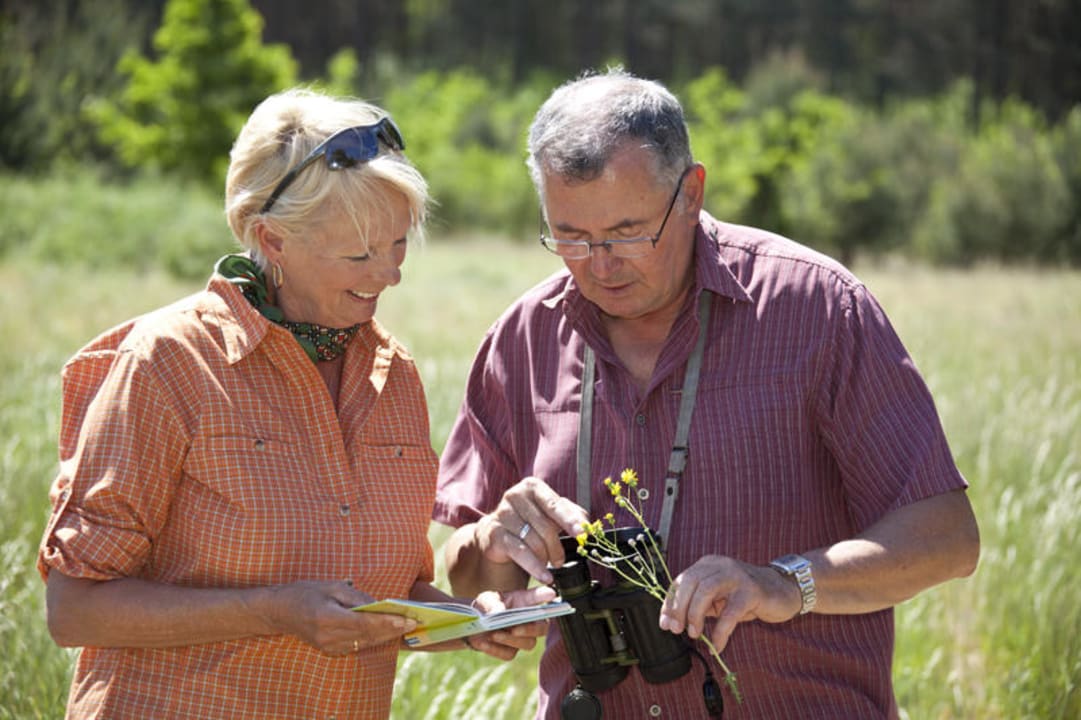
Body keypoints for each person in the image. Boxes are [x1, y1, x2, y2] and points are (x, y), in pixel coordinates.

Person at [434, 68, 980, 718]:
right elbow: (467, 579)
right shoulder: (519, 338)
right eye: (570, 237)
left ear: (691, 192)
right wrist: (492, 548)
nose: (599, 265)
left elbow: (946, 537)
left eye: (628, 233)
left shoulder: (817, 308)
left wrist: (783, 583)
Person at [37, 87, 549, 720]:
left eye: (396, 245)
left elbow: (388, 599)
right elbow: (75, 608)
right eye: (359, 253)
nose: (389, 275)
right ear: (271, 240)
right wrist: (272, 611)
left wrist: (469, 622)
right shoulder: (169, 361)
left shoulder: (395, 375)